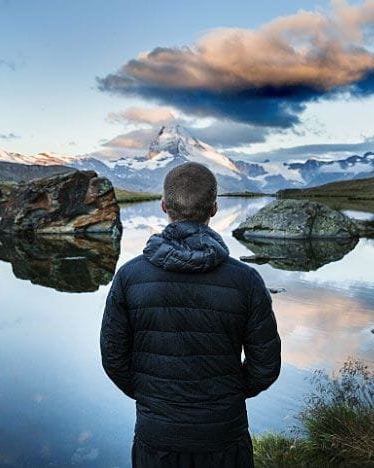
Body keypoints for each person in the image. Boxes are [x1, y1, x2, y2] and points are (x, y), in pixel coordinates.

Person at [100, 162, 281, 467]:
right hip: (224, 435)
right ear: (214, 208)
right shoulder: (246, 280)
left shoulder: (129, 277)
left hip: (157, 437)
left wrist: (153, 397)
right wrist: (229, 394)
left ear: (163, 206)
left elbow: (114, 359)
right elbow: (266, 366)